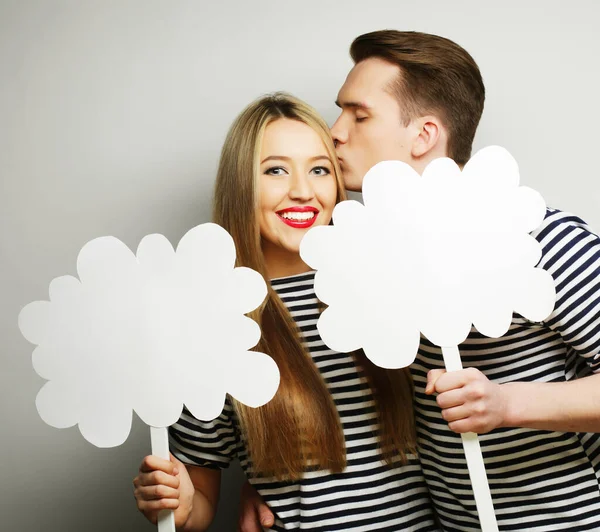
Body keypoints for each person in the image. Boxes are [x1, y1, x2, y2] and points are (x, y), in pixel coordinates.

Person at [239, 31, 600, 531]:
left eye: (358, 115)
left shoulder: (537, 236)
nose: (335, 132)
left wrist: (505, 402)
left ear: (424, 135)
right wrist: (269, 481)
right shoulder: (372, 261)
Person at [132, 92, 439, 531]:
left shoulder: (391, 282)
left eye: (319, 169)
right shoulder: (209, 321)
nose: (302, 191)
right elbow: (197, 509)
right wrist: (176, 503)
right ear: (242, 185)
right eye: (275, 170)